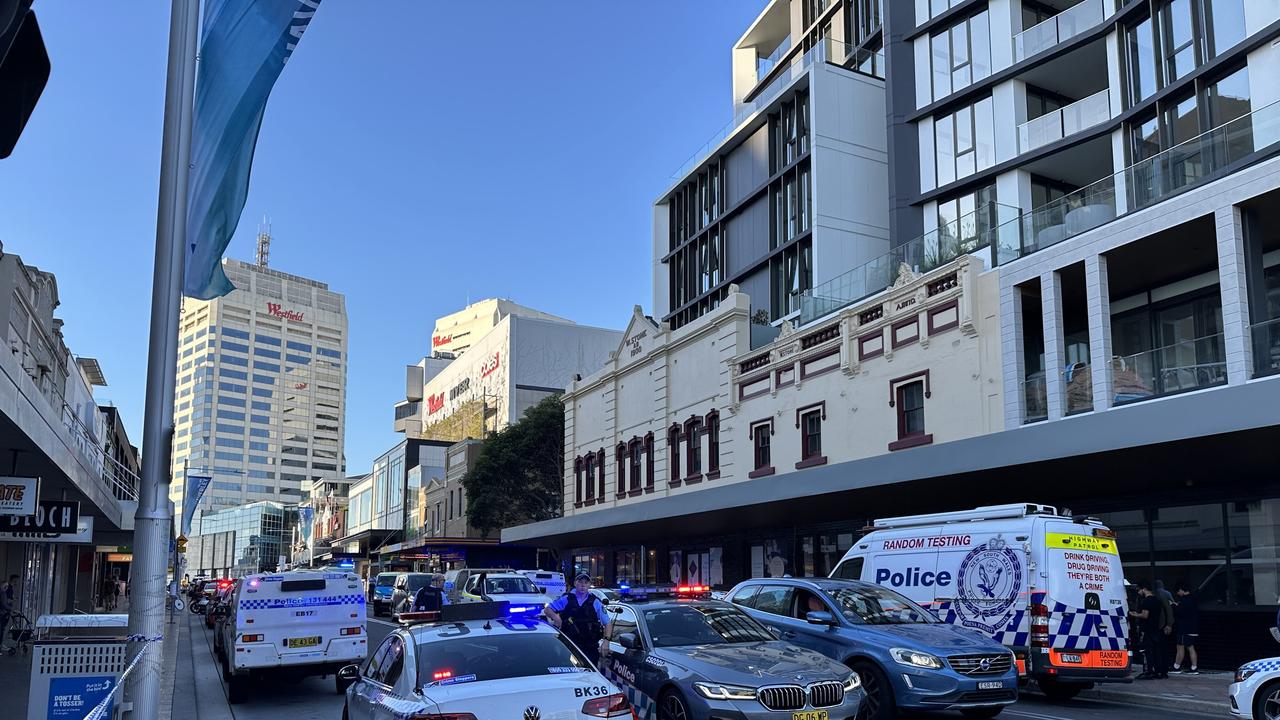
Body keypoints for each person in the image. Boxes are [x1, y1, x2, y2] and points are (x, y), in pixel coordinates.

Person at [544, 572, 612, 668]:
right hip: (569, 647)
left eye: (586, 582)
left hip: (590, 647)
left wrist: (606, 642)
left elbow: (608, 624)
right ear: (575, 583)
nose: (583, 585)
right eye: (580, 582)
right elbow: (547, 610)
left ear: (589, 584)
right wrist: (556, 617)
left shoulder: (595, 602)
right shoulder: (567, 599)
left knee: (590, 676)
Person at [1129, 581, 1171, 679]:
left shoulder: (1146, 601)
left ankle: (1149, 670)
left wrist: (1134, 614)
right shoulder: (1157, 600)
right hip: (1156, 628)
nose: (1139, 593)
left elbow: (1145, 615)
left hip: (1148, 629)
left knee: (1147, 651)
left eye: (1139, 590)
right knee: (1157, 651)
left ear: (1144, 589)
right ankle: (1157, 671)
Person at [1172, 581, 1200, 674]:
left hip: (1184, 628)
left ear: (1181, 590)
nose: (1177, 594)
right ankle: (1194, 667)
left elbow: (1180, 612)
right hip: (1193, 627)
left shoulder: (1184, 600)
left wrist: (1174, 606)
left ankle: (1177, 666)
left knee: (1181, 647)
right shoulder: (1193, 598)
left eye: (1178, 591)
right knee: (1191, 647)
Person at [0, 574, 17, 648]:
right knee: (2, 629)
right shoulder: (3, 593)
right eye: (5, 586)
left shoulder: (3, 593)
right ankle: (1, 644)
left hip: (3, 612)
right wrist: (12, 609)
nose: (6, 588)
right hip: (3, 613)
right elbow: (4, 604)